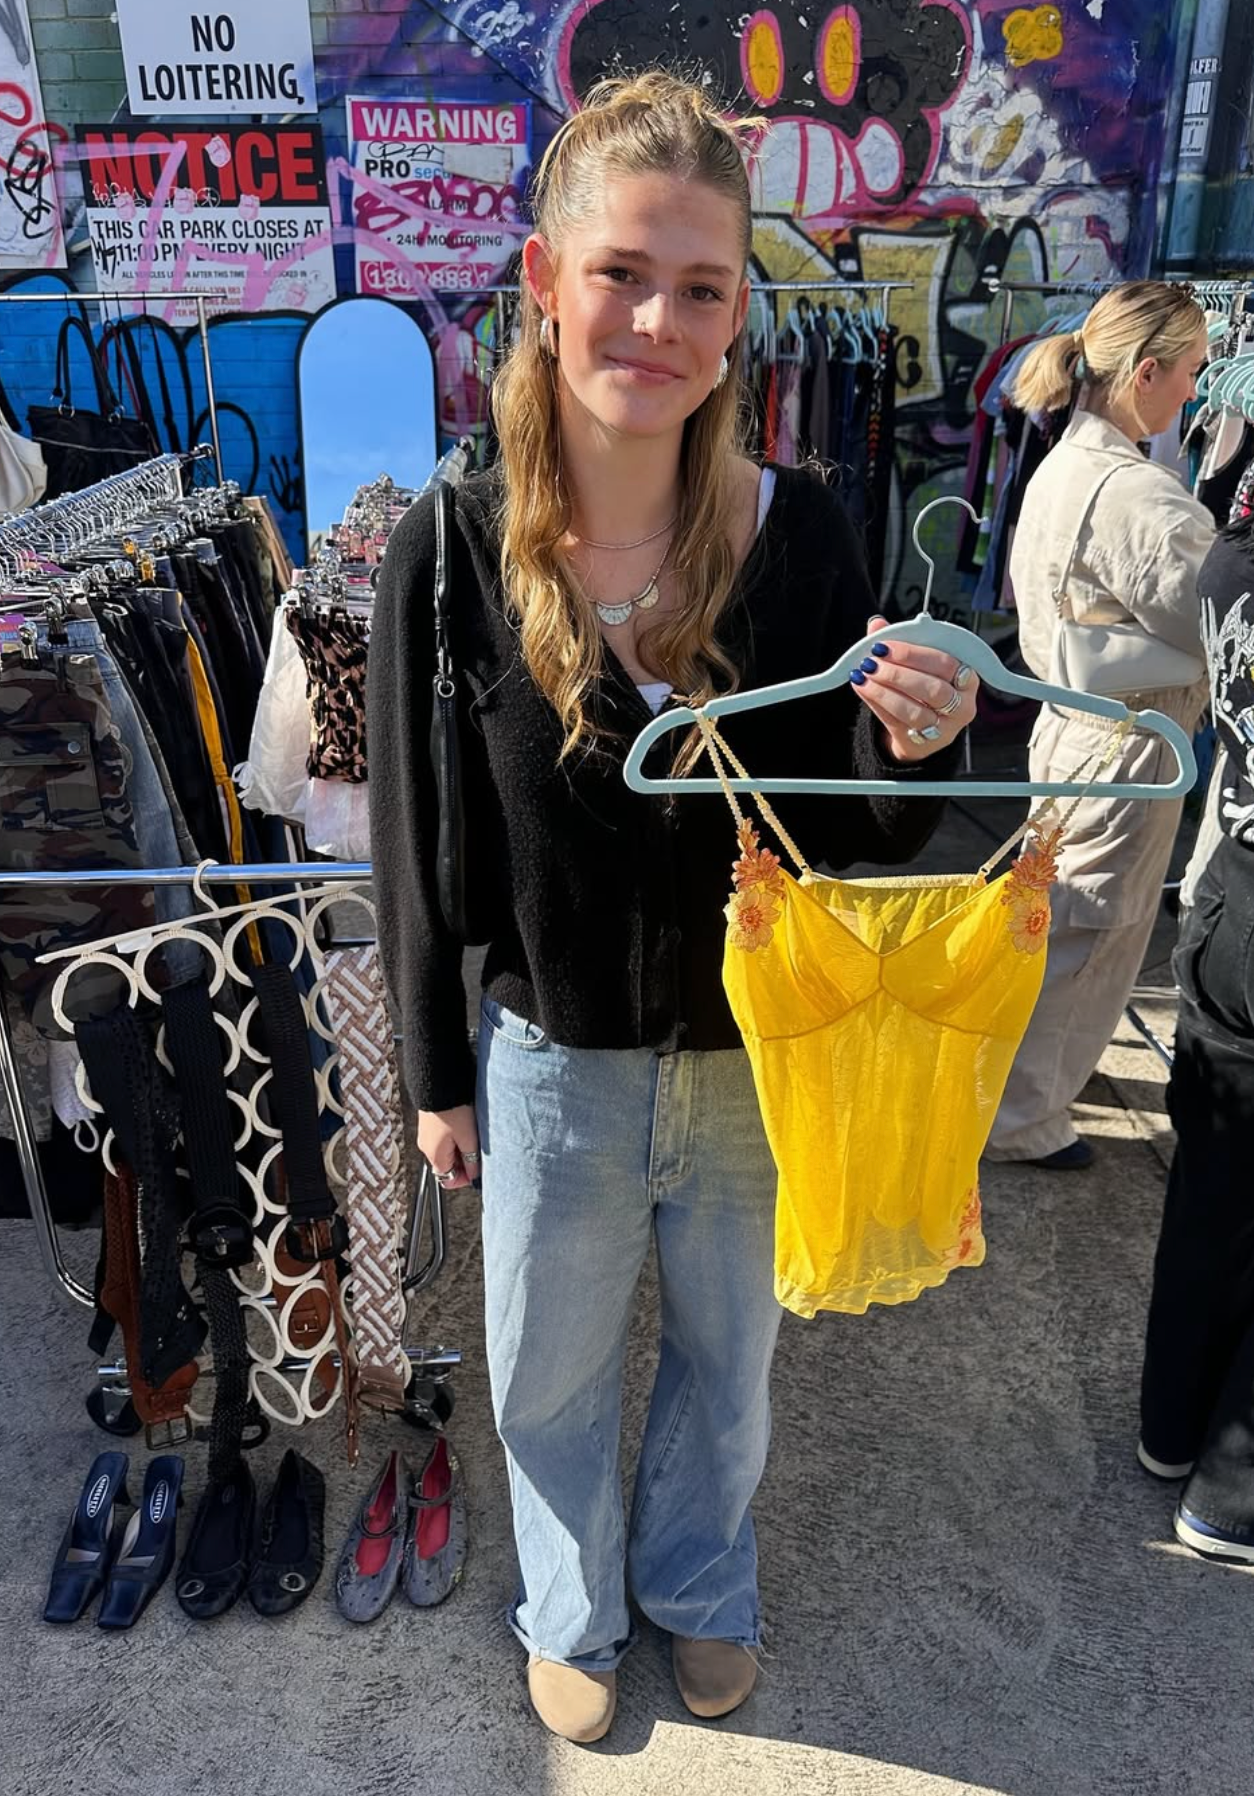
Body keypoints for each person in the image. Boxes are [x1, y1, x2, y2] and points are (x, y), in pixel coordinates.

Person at [368, 71, 978, 1744]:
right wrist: (432, 1067)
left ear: (734, 319)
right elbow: (417, 830)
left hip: (748, 1053)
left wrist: (906, 734)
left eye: (699, 286)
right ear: (545, 278)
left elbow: (853, 830)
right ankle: (567, 1601)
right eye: (622, 271)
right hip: (547, 1056)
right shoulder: (453, 542)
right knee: (542, 1371)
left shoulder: (800, 540)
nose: (655, 317)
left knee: (730, 1365)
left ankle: (699, 1583)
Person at [983, 281, 1214, 1172]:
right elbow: (1215, 616)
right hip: (1127, 740)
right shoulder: (1136, 495)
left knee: (1057, 920)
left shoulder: (1067, 464)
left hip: (1074, 729)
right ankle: (1023, 1122)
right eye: (1191, 373)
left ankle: (1018, 1106)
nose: (1195, 391)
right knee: (1091, 929)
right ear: (1147, 371)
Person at [1137, 511, 1254, 1558]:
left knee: (1213, 1189)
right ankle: (1232, 1494)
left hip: (1231, 901)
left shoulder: (1231, 555)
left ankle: (1171, 1427)